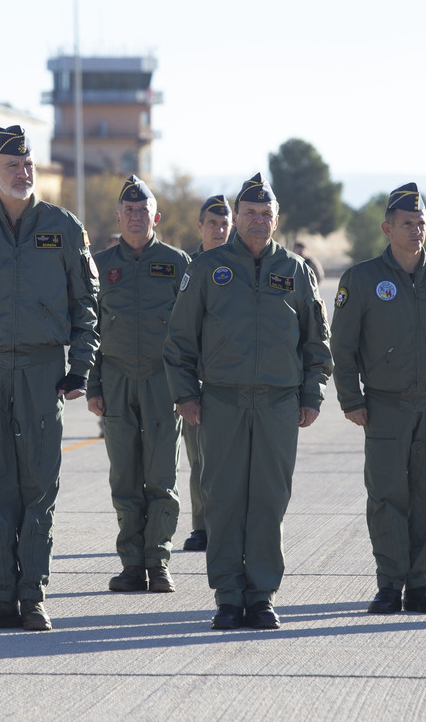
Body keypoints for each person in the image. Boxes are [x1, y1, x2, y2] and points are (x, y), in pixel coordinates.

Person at [0, 125, 99, 632]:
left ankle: (33, 596)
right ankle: (1, 595)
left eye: (27, 164)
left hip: (42, 369)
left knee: (39, 483)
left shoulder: (64, 227)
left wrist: (81, 366)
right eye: (12, 166)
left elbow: (87, 304)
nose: (22, 173)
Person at [164, 173, 331, 630]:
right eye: (250, 213)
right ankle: (227, 596)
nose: (258, 221)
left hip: (278, 403)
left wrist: (311, 394)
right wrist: (185, 395)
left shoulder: (295, 271)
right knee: (222, 499)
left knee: (269, 500)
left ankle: (260, 596)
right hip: (221, 402)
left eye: (266, 214)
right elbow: (179, 341)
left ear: (277, 220)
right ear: (236, 217)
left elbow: (316, 342)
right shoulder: (206, 270)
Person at [330, 183, 426, 616]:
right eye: (407, 224)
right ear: (387, 228)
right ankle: (389, 584)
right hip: (385, 406)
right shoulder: (362, 279)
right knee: (387, 498)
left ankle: (419, 583)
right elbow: (343, 345)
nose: (416, 231)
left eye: (422, 223)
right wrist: (349, 398)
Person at [88, 175, 190, 593]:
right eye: (128, 210)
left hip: (162, 381)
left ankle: (159, 561)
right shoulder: (101, 264)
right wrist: (93, 385)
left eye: (142, 210)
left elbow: (191, 330)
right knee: (125, 477)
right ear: (118, 217)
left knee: (162, 476)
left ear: (155, 217)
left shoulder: (179, 263)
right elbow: (88, 330)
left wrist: (189, 388)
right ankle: (132, 564)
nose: (135, 216)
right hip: (115, 379)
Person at [180, 194, 232, 553]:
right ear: (200, 227)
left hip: (233, 378)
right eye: (212, 223)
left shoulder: (243, 266)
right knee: (199, 459)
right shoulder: (188, 268)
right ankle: (202, 526)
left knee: (234, 460)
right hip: (198, 380)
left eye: (224, 223)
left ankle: (229, 524)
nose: (219, 229)